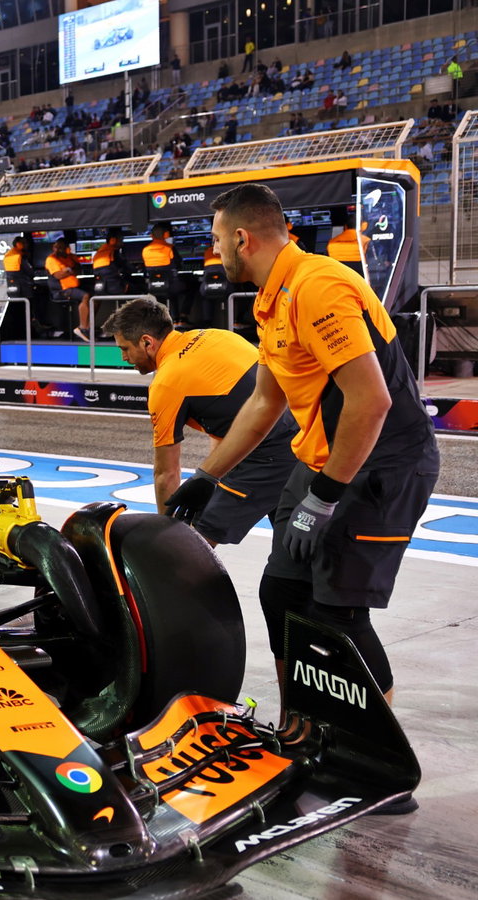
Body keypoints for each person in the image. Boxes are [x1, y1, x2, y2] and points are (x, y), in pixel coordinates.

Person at [165, 185, 438, 815]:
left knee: (337, 614)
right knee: (283, 594)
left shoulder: (318, 286)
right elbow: (265, 402)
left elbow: (372, 402)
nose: (212, 253)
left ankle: (378, 765)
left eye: (214, 240)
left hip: (378, 469)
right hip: (320, 459)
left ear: (242, 238)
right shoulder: (272, 298)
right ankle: (303, 734)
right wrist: (206, 476)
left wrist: (326, 496)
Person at [106, 298, 298, 544]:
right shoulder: (217, 336)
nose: (123, 357)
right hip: (301, 435)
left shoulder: (166, 383)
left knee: (191, 545)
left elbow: (166, 473)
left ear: (147, 343)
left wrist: (168, 534)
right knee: (292, 548)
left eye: (124, 349)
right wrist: (215, 476)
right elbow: (225, 424)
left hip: (265, 453)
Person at [44, 237, 92, 341]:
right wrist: (69, 271)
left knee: (94, 296)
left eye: (60, 247)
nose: (57, 250)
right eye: (55, 247)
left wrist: (68, 270)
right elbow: (58, 275)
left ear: (66, 248)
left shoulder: (71, 257)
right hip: (60, 291)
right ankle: (82, 328)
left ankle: (88, 327)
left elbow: (78, 270)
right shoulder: (51, 259)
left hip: (73, 287)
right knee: (85, 296)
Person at [91, 228, 131, 297]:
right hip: (114, 287)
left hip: (101, 287)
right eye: (121, 240)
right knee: (137, 287)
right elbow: (127, 267)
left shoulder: (100, 251)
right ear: (113, 241)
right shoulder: (113, 252)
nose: (122, 243)